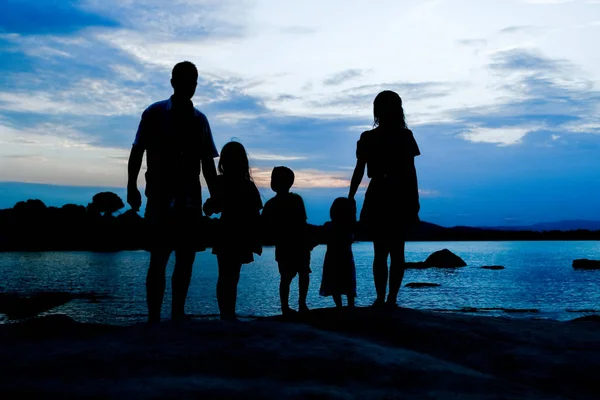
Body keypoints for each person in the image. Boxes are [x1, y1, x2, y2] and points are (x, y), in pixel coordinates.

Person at [127, 61, 219, 323]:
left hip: (190, 200)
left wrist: (215, 195)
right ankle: (154, 317)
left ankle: (177, 312)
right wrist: (131, 186)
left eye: (193, 82)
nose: (189, 86)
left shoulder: (200, 120)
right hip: (159, 196)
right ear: (173, 82)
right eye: (184, 81)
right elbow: (137, 151)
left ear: (195, 85)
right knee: (159, 256)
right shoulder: (154, 113)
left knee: (186, 258)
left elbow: (207, 163)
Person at [348, 90, 420, 309]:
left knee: (393, 251)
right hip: (381, 193)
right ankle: (384, 299)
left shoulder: (404, 136)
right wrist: (350, 196)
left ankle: (389, 299)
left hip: (396, 194)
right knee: (385, 251)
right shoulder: (369, 137)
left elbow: (410, 171)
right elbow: (359, 169)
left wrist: (414, 201)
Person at [203, 141, 263, 321]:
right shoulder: (247, 185)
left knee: (224, 276)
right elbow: (255, 214)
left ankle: (225, 314)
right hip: (240, 234)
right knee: (232, 276)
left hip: (225, 233)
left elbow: (209, 208)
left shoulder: (220, 183)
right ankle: (228, 314)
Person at [261, 166, 312, 316]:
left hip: (291, 245)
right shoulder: (294, 200)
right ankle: (296, 305)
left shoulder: (273, 204)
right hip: (293, 245)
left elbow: (265, 226)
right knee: (295, 275)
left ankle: (293, 305)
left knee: (292, 276)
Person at [319, 197, 357, 308]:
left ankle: (339, 306)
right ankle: (350, 306)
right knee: (348, 282)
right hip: (346, 258)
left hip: (332, 258)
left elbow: (321, 237)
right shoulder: (349, 227)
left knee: (334, 283)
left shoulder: (329, 226)